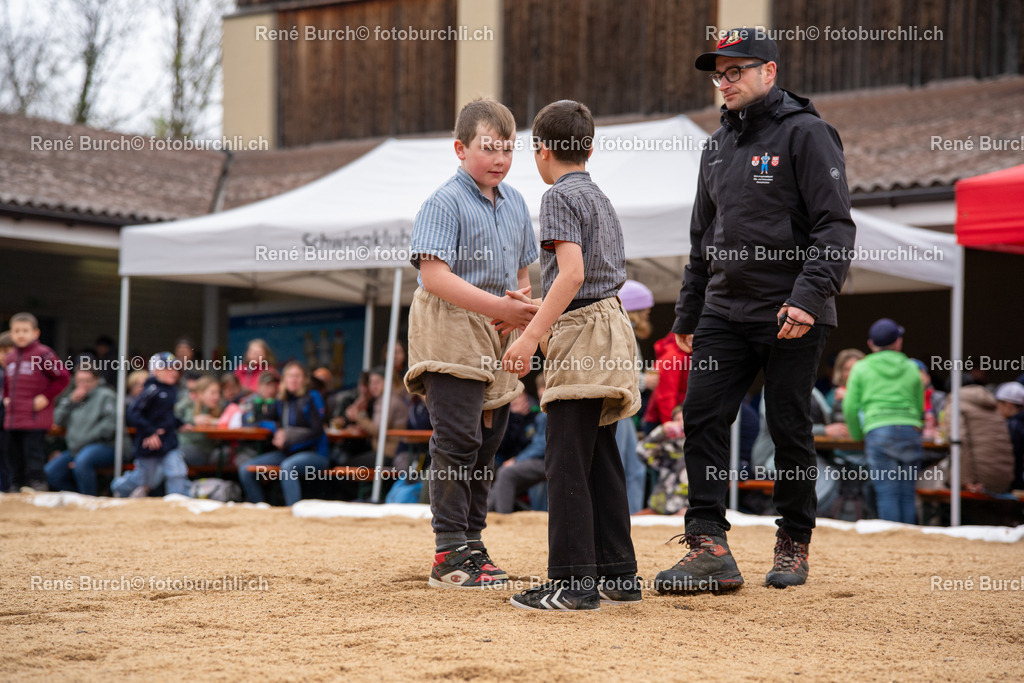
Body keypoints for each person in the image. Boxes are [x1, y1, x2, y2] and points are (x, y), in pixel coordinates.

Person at [654, 29, 856, 593]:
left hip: (791, 307)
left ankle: (794, 539)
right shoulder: (715, 146)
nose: (725, 81)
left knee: (787, 423)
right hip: (724, 308)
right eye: (719, 74)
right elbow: (702, 239)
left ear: (769, 72)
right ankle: (708, 546)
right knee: (701, 414)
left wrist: (809, 298)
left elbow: (835, 227)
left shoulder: (808, 133)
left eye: (736, 70)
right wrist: (688, 313)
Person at [501, 99, 641, 611]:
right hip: (611, 326)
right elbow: (590, 280)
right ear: (588, 147)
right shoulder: (599, 196)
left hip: (583, 335)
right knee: (599, 455)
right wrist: (535, 312)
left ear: (542, 149)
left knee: (564, 459)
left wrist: (530, 336)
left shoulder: (557, 196)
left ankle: (573, 581)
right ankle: (618, 574)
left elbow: (574, 275)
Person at [403, 97, 538, 589]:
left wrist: (522, 324)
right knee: (458, 439)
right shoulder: (443, 201)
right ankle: (449, 551)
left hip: (497, 327)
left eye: (508, 148)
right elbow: (434, 276)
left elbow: (521, 275)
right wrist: (503, 308)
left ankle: (472, 543)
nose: (500, 158)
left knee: (487, 443)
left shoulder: (517, 201)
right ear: (460, 149)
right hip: (449, 325)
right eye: (488, 147)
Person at [842, 319, 923, 523]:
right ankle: (909, 539)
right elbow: (919, 405)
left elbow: (850, 407)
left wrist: (857, 435)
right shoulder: (911, 367)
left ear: (871, 344)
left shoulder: (861, 367)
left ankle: (891, 539)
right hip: (910, 430)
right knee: (907, 493)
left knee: (887, 491)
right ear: (898, 342)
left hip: (879, 430)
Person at [237, 362, 328, 505]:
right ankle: (262, 509)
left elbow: (317, 431)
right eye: (290, 376)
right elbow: (263, 420)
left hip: (315, 453)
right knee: (245, 470)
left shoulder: (312, 397)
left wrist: (288, 440)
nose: (293, 380)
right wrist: (277, 430)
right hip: (287, 452)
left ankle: (293, 511)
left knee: (287, 467)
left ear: (304, 379)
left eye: (297, 376)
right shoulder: (282, 399)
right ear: (284, 379)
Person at [2, 312, 71, 492]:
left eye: (25, 330)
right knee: (12, 453)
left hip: (34, 416)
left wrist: (46, 396)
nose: (21, 334)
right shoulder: (10, 357)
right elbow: (8, 382)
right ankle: (16, 484)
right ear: (11, 333)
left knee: (32, 452)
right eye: (17, 331)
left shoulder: (43, 354)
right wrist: (6, 397)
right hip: (13, 416)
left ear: (35, 333)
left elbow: (62, 377)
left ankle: (37, 484)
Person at [113, 352, 189, 498]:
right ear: (155, 371)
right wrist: (149, 431)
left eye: (175, 368)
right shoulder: (151, 390)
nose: (173, 372)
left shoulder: (171, 390)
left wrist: (180, 423)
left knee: (177, 472)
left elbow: (166, 415)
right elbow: (133, 413)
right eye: (168, 369)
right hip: (150, 443)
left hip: (168, 441)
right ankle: (119, 487)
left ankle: (178, 501)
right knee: (144, 479)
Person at [44, 367, 118, 495]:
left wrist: (85, 440)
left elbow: (109, 427)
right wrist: (69, 402)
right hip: (76, 449)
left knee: (83, 461)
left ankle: (88, 498)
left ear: (96, 380)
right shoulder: (73, 397)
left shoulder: (106, 395)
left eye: (87, 381)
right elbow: (55, 420)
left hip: (104, 446)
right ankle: (76, 498)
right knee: (50, 472)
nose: (83, 385)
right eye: (79, 381)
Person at [939, 384, 1015, 494]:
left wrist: (965, 482)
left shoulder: (956, 403)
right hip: (1004, 480)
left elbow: (959, 442)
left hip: (982, 483)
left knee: (932, 476)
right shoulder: (992, 406)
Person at [488, 374, 547, 514]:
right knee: (500, 473)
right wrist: (515, 417)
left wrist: (517, 460)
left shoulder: (536, 411)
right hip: (514, 459)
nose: (516, 400)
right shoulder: (506, 413)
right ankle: (486, 515)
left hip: (535, 460)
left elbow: (538, 444)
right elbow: (501, 445)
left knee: (506, 474)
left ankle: (501, 518)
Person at [637, 404, 688, 514]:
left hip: (689, 508)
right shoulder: (667, 445)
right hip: (661, 507)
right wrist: (662, 430)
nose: (681, 424)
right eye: (677, 420)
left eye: (685, 419)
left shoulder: (702, 445)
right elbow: (642, 452)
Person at [175, 375, 223, 467]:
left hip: (202, 451)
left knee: (173, 454)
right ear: (200, 394)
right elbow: (172, 417)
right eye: (213, 393)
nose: (217, 397)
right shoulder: (188, 405)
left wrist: (217, 423)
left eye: (218, 393)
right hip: (182, 445)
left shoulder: (219, 409)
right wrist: (193, 420)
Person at [994, 382, 1024, 490]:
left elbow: (1011, 457)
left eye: (998, 404)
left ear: (1008, 405)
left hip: (1017, 484)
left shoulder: (1013, 425)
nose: (997, 409)